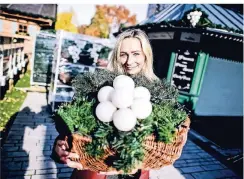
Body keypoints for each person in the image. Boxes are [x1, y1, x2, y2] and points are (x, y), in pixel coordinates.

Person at [51, 29, 159, 179]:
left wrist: (130, 165)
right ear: (116, 56)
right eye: (123, 54)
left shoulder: (156, 94)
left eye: (136, 54)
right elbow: (72, 129)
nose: (129, 61)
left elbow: (163, 144)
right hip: (93, 174)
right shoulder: (99, 89)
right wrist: (60, 146)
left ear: (146, 56)